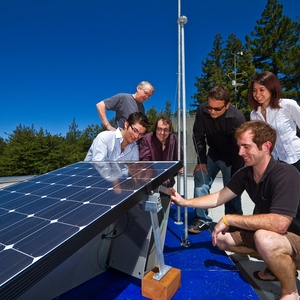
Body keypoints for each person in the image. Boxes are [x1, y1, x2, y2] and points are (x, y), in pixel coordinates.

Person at [170, 120, 300, 300]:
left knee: (264, 239)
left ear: (266, 146)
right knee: (222, 240)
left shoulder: (286, 174)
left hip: (294, 237)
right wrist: (184, 202)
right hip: (274, 236)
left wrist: (230, 219)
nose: (240, 153)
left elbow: (280, 224)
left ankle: (290, 291)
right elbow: (218, 197)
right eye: (239, 147)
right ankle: (280, 262)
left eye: (246, 147)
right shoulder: (246, 173)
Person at [189, 85, 246, 234]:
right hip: (212, 154)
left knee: (232, 190)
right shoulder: (202, 111)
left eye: (217, 109)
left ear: (227, 105)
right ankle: (202, 219)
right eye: (210, 107)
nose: (212, 111)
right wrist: (201, 161)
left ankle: (232, 222)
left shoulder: (237, 118)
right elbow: (198, 136)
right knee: (200, 178)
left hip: (232, 158)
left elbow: (241, 148)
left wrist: (238, 173)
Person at [249, 71, 300, 172]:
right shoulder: (254, 115)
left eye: (261, 90)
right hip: (276, 164)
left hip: (297, 157)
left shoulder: (288, 105)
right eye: (254, 90)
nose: (257, 94)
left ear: (271, 89)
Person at [84, 112, 150, 161]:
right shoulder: (104, 137)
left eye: (141, 134)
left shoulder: (134, 148)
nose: (136, 136)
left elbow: (133, 171)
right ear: (126, 124)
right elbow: (99, 166)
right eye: (135, 130)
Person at [139, 116, 183, 187]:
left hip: (168, 183)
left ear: (170, 131)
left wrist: (179, 168)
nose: (162, 133)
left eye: (165, 130)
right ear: (155, 129)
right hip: (150, 181)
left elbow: (180, 160)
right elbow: (145, 162)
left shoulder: (174, 141)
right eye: (159, 129)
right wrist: (161, 175)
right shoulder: (147, 140)